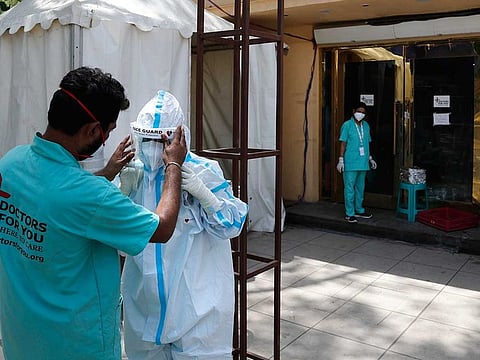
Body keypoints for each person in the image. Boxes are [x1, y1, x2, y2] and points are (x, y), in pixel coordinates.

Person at [0, 67, 187, 360]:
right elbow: (162, 228)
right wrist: (173, 166)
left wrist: (107, 173)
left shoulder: (10, 164)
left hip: (21, 338)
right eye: (106, 132)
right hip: (76, 345)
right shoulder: (91, 195)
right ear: (91, 130)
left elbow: (54, 203)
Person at [119, 90, 248, 360]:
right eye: (148, 139)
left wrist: (205, 195)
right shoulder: (134, 173)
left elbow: (233, 225)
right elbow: (117, 235)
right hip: (144, 311)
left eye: (162, 141)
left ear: (178, 138)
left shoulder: (202, 171)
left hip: (197, 313)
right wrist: (121, 192)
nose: (154, 148)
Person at [336, 101, 377, 224]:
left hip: (363, 162)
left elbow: (366, 143)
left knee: (360, 188)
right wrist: (341, 159)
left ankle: (359, 209)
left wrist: (370, 158)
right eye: (359, 111)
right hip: (350, 162)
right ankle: (350, 213)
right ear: (354, 111)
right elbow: (343, 143)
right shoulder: (347, 125)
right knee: (349, 188)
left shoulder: (366, 126)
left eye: (363, 112)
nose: (361, 114)